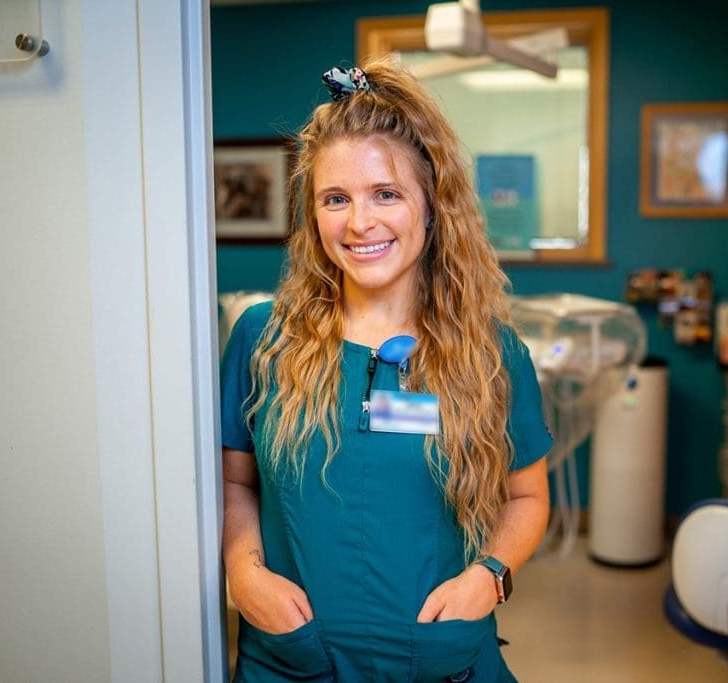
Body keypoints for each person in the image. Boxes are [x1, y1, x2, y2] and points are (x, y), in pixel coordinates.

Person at [220, 56, 553, 682]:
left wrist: (491, 578)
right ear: (312, 215)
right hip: (290, 660)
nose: (359, 222)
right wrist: (244, 570)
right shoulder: (261, 340)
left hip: (441, 660)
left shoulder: (490, 355)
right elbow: (236, 482)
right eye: (335, 198)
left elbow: (528, 496)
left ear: (432, 205)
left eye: (386, 194)